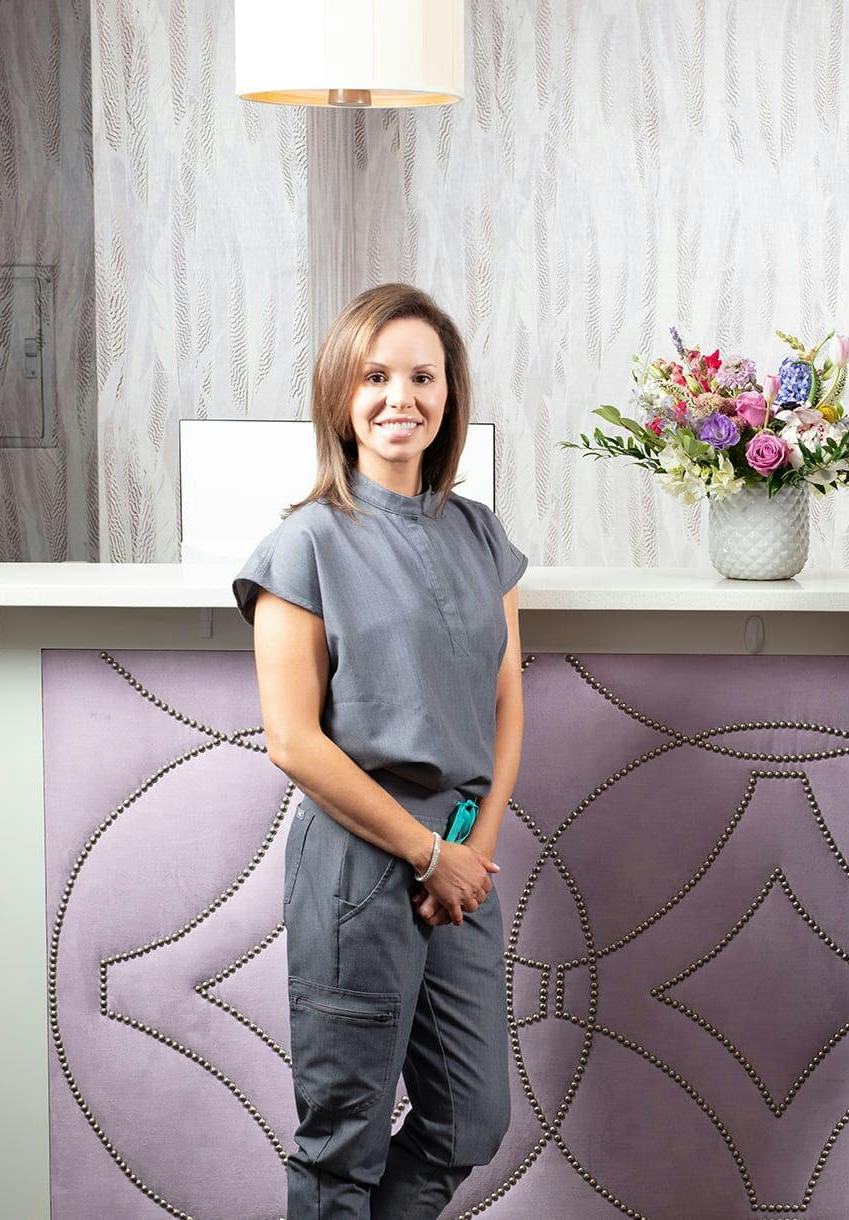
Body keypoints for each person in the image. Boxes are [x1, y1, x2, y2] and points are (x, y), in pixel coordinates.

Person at [234, 282, 524, 1218]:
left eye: (423, 377)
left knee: (470, 1120)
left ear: (450, 396)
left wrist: (472, 850)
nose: (401, 397)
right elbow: (292, 740)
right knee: (341, 1144)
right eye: (376, 375)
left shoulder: (482, 535)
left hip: (463, 860)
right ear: (340, 394)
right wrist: (424, 851)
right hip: (362, 856)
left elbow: (506, 701)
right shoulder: (304, 542)